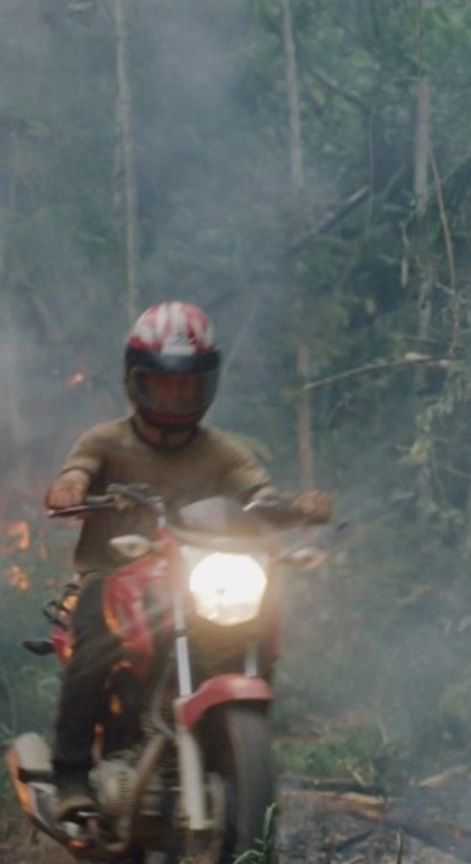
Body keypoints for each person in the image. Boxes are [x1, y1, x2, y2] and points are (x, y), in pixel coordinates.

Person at [43, 300, 332, 820]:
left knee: (257, 623)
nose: (176, 395)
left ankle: (234, 755)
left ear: (207, 384)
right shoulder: (107, 440)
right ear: (136, 381)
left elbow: (258, 493)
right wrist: (70, 486)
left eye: (187, 384)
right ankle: (69, 776)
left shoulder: (223, 451)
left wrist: (295, 507)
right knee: (95, 643)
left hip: (191, 576)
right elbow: (79, 469)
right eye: (164, 383)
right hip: (114, 574)